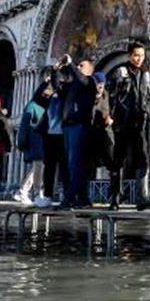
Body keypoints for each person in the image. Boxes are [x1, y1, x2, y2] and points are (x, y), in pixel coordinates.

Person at [110, 41, 150, 210]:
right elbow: (112, 96)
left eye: (142, 56)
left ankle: (142, 197)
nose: (139, 59)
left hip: (139, 122)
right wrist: (112, 117)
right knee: (118, 159)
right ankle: (115, 197)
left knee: (142, 157)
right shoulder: (120, 72)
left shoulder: (146, 73)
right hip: (123, 122)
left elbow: (148, 95)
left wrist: (148, 112)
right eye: (136, 55)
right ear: (129, 55)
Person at [59, 54, 98, 208]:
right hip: (68, 126)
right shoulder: (73, 87)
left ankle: (69, 198)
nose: (78, 68)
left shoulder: (90, 82)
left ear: (89, 69)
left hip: (80, 126)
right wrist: (56, 71)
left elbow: (81, 78)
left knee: (75, 163)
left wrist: (71, 65)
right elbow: (58, 88)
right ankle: (83, 198)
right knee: (71, 164)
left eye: (81, 66)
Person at [13, 80, 52, 205]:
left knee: (38, 167)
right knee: (39, 166)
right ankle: (37, 194)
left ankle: (22, 191)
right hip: (35, 140)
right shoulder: (32, 105)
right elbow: (24, 125)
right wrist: (21, 141)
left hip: (44, 140)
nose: (49, 94)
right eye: (47, 91)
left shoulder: (48, 106)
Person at [90, 71, 118, 207]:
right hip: (91, 134)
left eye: (101, 84)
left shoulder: (109, 96)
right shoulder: (87, 96)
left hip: (106, 134)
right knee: (89, 166)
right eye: (97, 83)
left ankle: (114, 198)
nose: (99, 86)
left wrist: (112, 118)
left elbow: (116, 110)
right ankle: (87, 198)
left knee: (113, 165)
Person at [39, 74, 67, 208]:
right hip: (49, 135)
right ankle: (47, 195)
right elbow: (37, 98)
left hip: (63, 135)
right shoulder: (49, 98)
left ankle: (66, 194)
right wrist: (44, 84)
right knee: (49, 167)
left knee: (64, 166)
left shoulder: (65, 95)